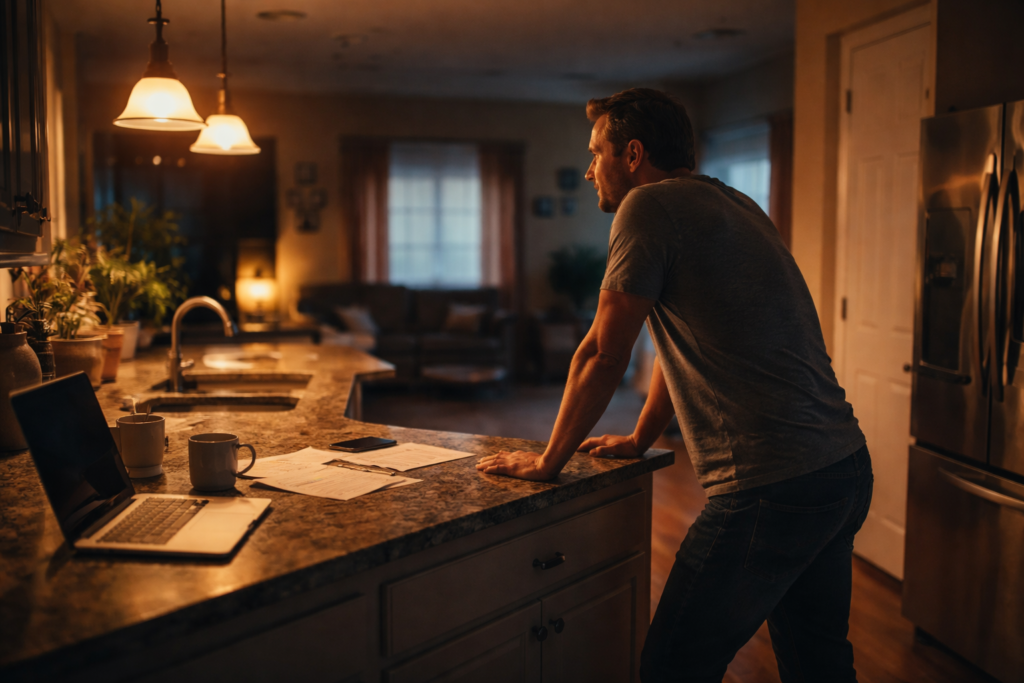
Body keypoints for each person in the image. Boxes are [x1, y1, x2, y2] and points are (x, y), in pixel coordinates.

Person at [475, 88, 873, 682]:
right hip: (842, 468)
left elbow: (602, 354)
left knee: (673, 665)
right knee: (817, 661)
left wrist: (547, 462)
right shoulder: (735, 203)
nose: (589, 170)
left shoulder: (648, 208)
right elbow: (680, 345)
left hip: (771, 483)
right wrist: (639, 437)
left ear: (632, 154)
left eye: (596, 153)